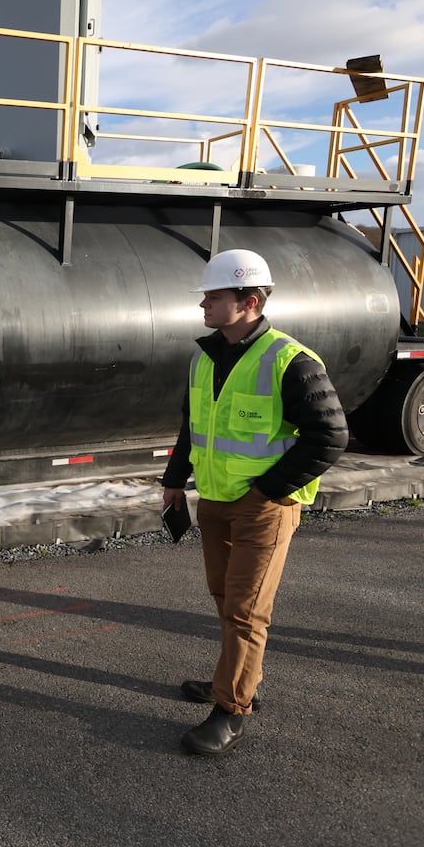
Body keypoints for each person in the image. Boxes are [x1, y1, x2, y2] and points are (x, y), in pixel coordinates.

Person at [160, 248, 349, 756]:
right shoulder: (205, 357)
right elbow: (192, 425)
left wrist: (269, 489)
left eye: (213, 296)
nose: (203, 304)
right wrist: (174, 481)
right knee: (226, 598)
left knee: (246, 610)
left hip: (264, 508)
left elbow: (330, 435)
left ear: (249, 301)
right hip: (214, 499)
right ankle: (238, 678)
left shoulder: (291, 361)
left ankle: (232, 709)